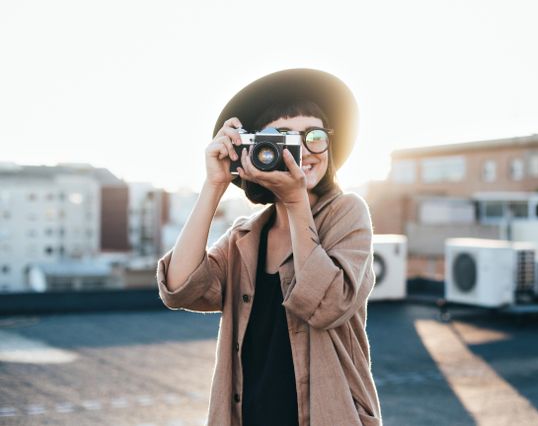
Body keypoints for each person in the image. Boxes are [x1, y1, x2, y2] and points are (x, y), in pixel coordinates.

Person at [155, 69, 382, 426]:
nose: (303, 151)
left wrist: (295, 201)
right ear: (257, 150)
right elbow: (180, 288)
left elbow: (328, 305)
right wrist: (214, 184)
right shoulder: (245, 237)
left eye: (314, 136)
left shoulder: (347, 213)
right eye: (282, 139)